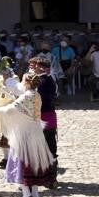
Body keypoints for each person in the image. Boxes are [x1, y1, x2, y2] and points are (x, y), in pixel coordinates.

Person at [0, 73, 56, 197]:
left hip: (24, 134)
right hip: (35, 133)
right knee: (33, 163)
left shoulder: (26, 96)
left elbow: (9, 110)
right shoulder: (36, 95)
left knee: (21, 164)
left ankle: (27, 196)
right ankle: (35, 195)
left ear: (26, 83)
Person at [31, 57, 58, 188]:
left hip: (45, 118)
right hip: (43, 117)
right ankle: (45, 177)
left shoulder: (45, 81)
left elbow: (43, 100)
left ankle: (51, 179)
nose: (32, 68)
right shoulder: (40, 80)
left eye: (35, 66)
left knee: (49, 148)